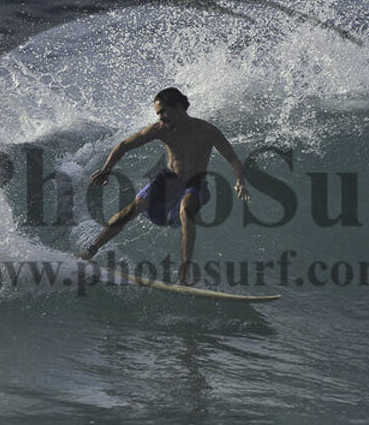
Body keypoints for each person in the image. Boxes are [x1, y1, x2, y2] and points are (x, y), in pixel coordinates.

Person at [78, 87, 251, 285]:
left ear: (178, 107)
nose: (160, 118)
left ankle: (185, 274)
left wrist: (240, 181)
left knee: (185, 211)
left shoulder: (207, 131)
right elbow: (124, 145)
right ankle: (90, 251)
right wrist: (107, 169)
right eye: (158, 114)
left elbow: (233, 159)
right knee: (131, 209)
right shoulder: (160, 130)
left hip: (196, 183)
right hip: (169, 179)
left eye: (163, 112)